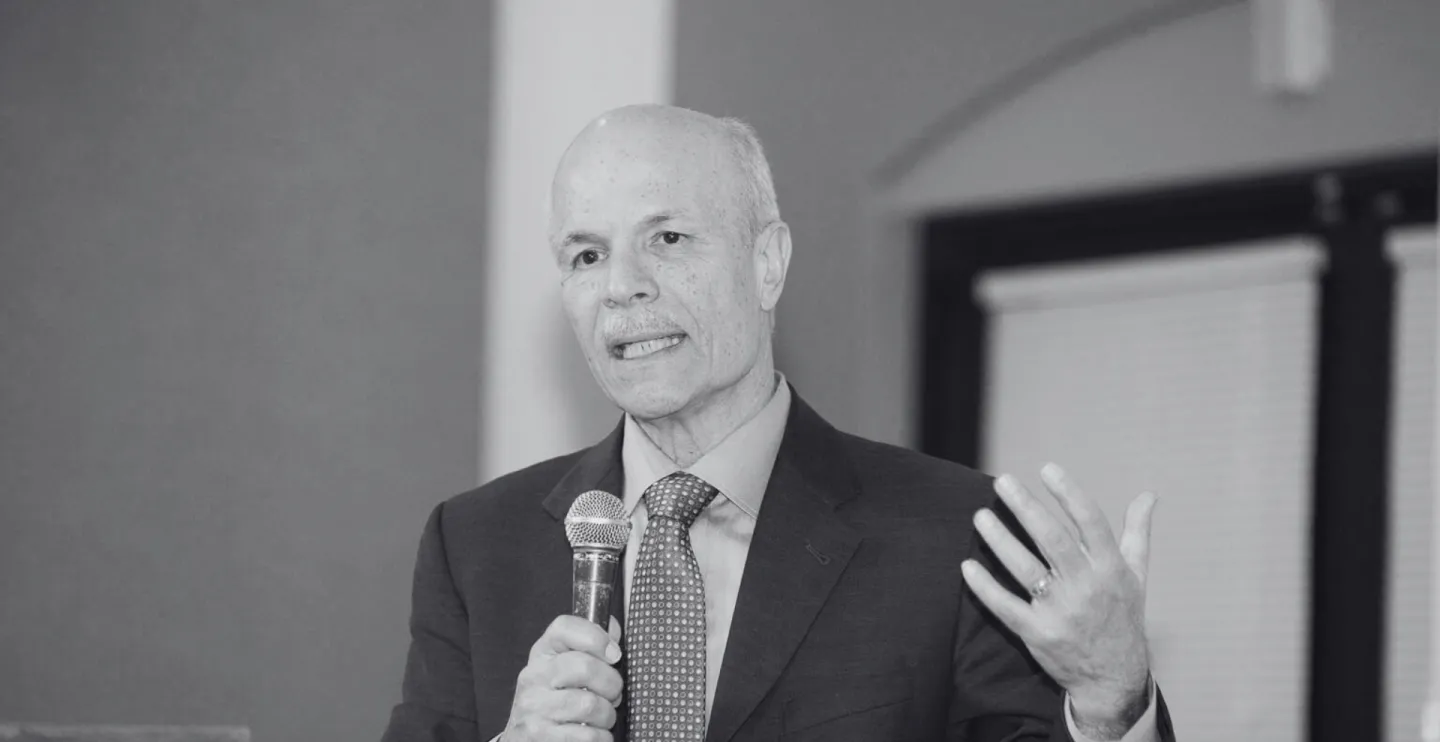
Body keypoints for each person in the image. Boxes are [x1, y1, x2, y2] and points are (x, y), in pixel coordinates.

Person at [381, 104, 1176, 742]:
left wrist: (1112, 704)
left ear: (768, 265)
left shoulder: (954, 537)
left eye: (667, 239)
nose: (622, 287)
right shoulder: (476, 546)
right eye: (586, 256)